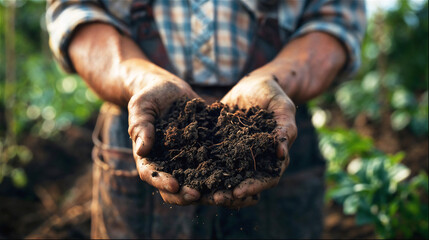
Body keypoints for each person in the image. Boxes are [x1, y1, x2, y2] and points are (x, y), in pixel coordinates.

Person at [46, 0, 366, 238]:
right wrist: (141, 81)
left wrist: (276, 80)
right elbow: (77, 11)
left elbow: (333, 20)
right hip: (145, 124)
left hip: (278, 119)